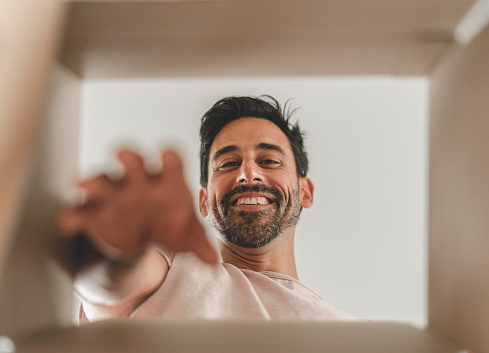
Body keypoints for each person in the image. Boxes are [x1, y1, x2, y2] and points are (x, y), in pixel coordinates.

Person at [58, 96, 357, 323]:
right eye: (228, 164)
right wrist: (118, 246)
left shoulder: (351, 333)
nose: (247, 174)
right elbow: (105, 286)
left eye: (268, 161)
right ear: (204, 201)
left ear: (305, 192)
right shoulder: (172, 269)